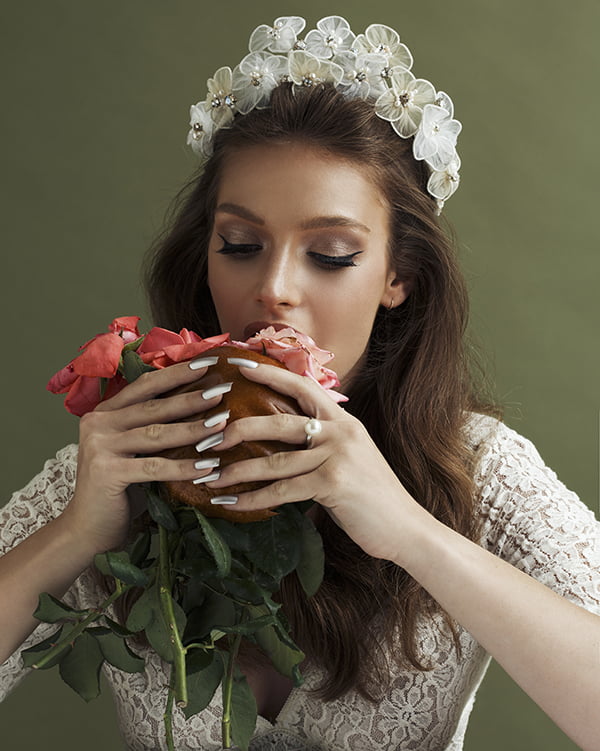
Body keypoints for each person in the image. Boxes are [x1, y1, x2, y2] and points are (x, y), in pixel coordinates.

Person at [1, 14, 599, 751]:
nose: (274, 289)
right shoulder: (122, 459)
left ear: (398, 277)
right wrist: (76, 534)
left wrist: (411, 532)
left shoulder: (479, 472)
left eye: (333, 254)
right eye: (242, 245)